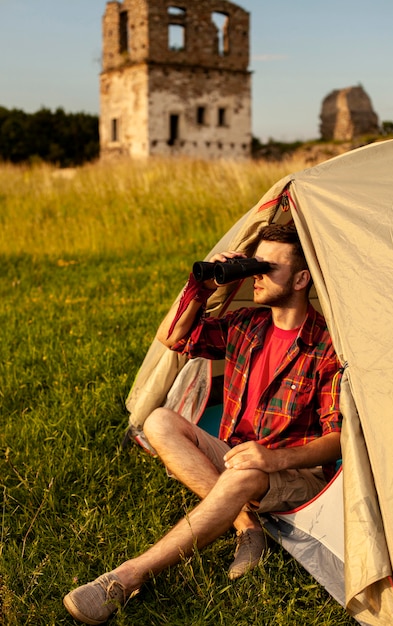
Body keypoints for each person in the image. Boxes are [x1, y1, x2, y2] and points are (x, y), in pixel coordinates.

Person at [64, 223, 343, 625]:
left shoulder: (326, 346)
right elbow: (173, 338)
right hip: (237, 455)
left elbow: (338, 439)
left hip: (295, 471)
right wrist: (201, 287)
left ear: (301, 279)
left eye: (267, 267)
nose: (256, 276)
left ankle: (125, 578)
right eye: (253, 265)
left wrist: (275, 459)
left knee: (246, 470)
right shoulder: (248, 324)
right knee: (159, 420)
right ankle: (247, 526)